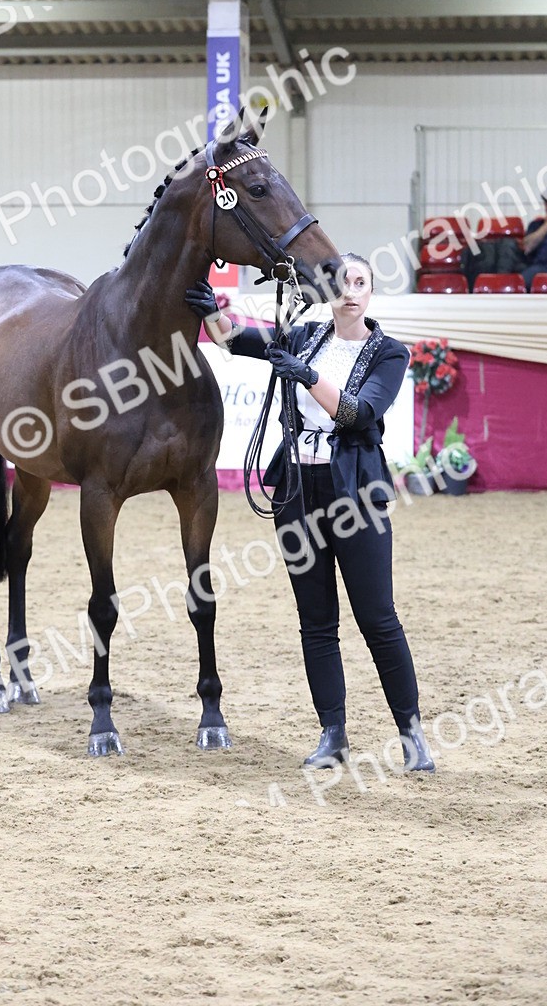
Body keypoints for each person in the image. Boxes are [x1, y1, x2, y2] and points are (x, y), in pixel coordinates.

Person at [185, 254, 435, 773]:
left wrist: (306, 375)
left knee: (377, 617)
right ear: (330, 290)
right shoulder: (304, 334)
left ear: (370, 293)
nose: (350, 289)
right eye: (343, 281)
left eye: (360, 282)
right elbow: (237, 340)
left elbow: (358, 412)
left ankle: (411, 734)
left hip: (356, 492)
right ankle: (333, 734)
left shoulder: (389, 353)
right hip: (297, 487)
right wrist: (213, 311)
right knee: (315, 622)